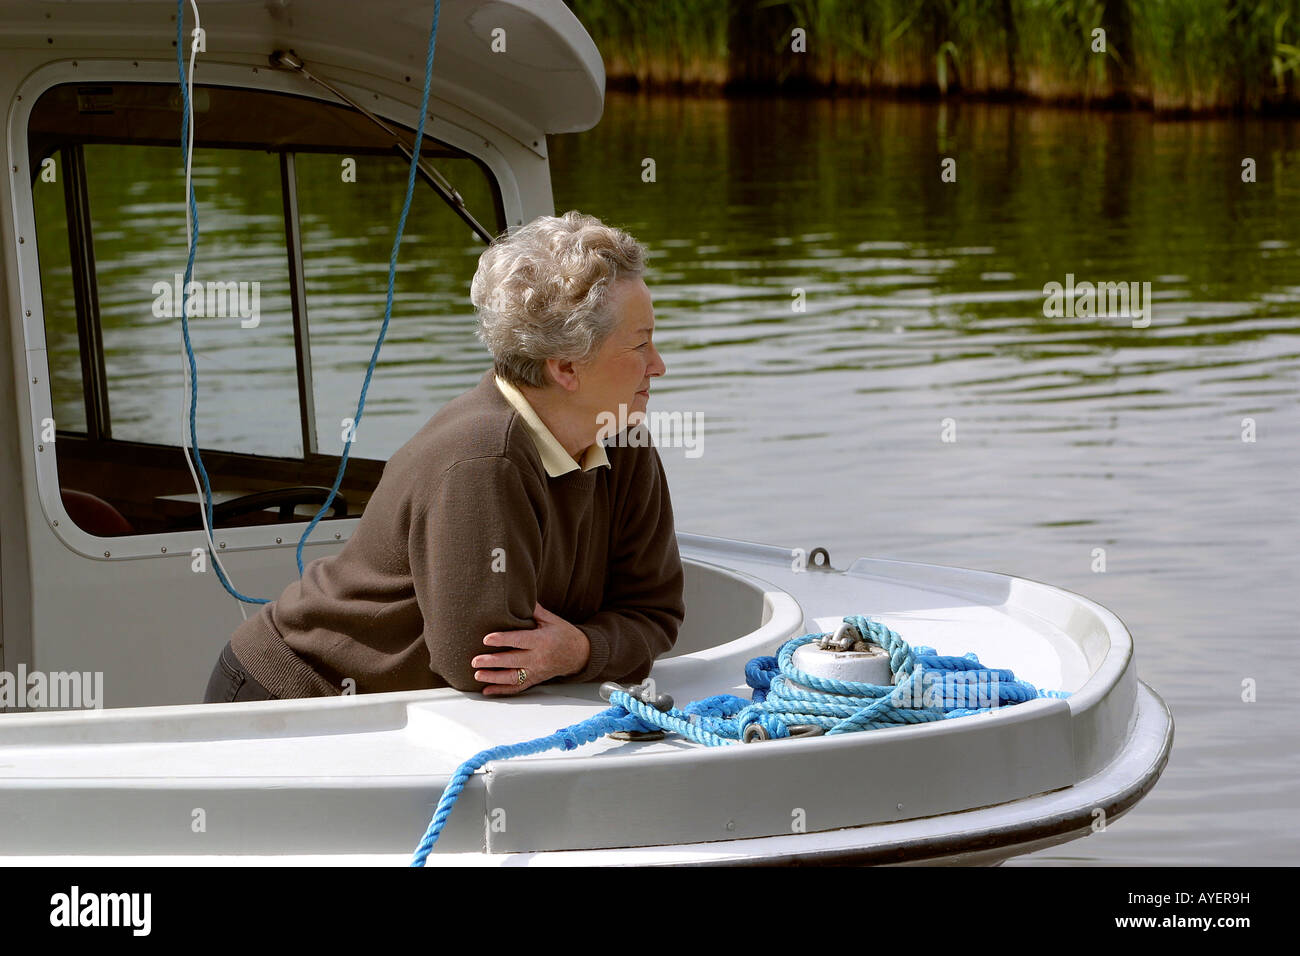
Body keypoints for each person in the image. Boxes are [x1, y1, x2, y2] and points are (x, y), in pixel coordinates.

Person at [203, 210, 685, 701]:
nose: (659, 366)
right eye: (641, 344)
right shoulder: (484, 460)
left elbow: (656, 611)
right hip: (291, 701)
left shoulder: (622, 440)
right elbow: (481, 664)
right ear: (565, 367)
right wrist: (599, 648)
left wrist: (579, 649)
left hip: (397, 717)